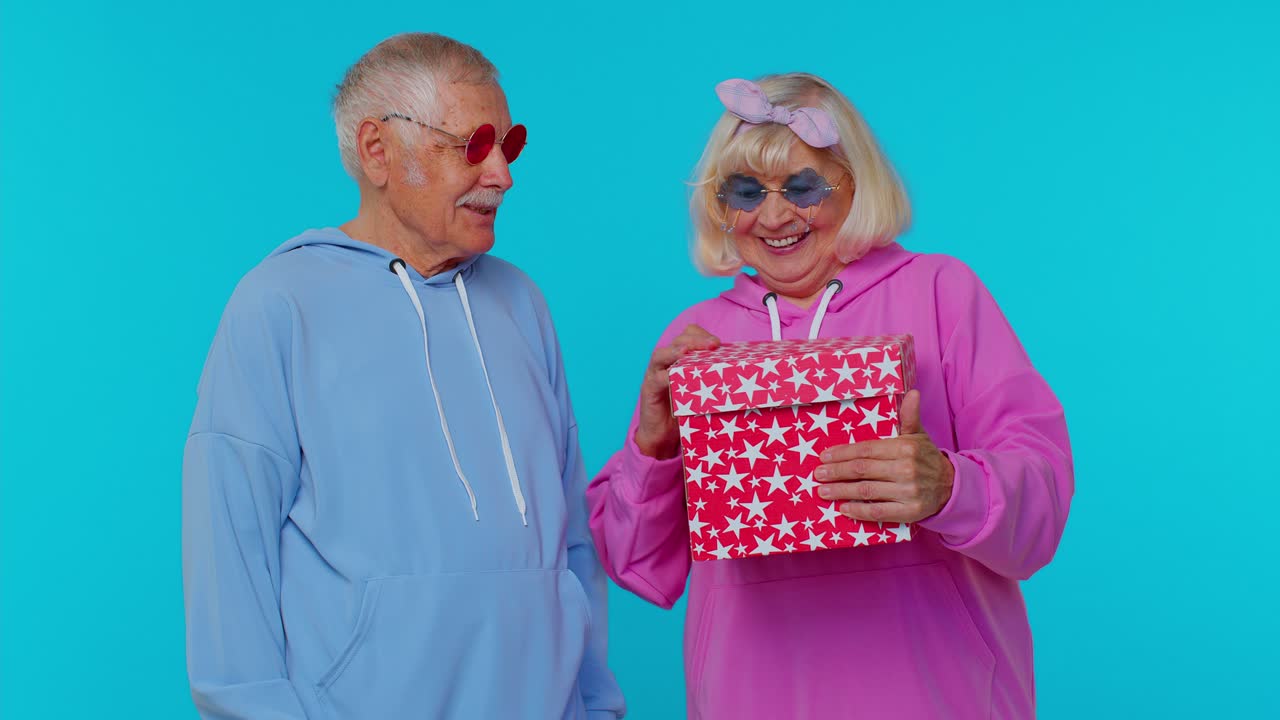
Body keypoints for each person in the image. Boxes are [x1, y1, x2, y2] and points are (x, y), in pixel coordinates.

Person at [587, 73, 1073, 719]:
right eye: (745, 191)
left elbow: (1040, 502)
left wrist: (951, 487)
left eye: (803, 186)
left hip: (938, 694)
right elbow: (637, 565)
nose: (776, 215)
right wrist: (651, 444)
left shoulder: (942, 293)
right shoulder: (697, 340)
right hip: (751, 696)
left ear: (855, 184)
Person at [182, 32, 624, 719]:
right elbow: (229, 552)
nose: (503, 174)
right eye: (474, 145)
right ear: (378, 151)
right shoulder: (280, 303)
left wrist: (596, 704)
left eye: (511, 145)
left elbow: (570, 539)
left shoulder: (522, 303)